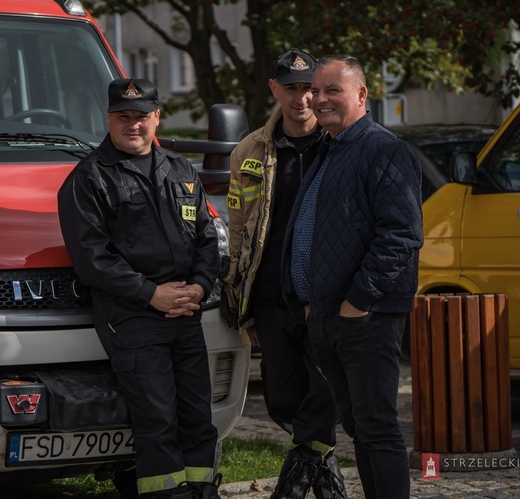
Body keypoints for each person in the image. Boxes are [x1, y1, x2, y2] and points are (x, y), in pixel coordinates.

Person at [57, 78, 222, 499]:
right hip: (132, 317)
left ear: (157, 118)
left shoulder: (180, 168)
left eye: (142, 117)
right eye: (124, 117)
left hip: (186, 311)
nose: (134, 125)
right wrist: (152, 293)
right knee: (158, 421)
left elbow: (206, 235)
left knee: (198, 417)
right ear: (109, 119)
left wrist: (201, 286)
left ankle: (203, 492)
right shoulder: (89, 179)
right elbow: (93, 259)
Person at [282, 54, 423, 499]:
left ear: (362, 94)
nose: (318, 99)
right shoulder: (329, 147)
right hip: (327, 315)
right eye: (314, 90)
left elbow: (401, 235)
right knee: (357, 426)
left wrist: (357, 302)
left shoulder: (384, 149)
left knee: (377, 427)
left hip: (367, 315)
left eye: (331, 90)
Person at [222, 49, 346, 499]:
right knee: (282, 398)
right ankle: (321, 463)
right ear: (274, 89)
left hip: (323, 296)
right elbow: (238, 230)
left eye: (309, 89)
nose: (301, 99)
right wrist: (242, 303)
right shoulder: (249, 150)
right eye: (290, 88)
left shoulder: (339, 145)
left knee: (326, 386)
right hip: (270, 296)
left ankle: (295, 481)